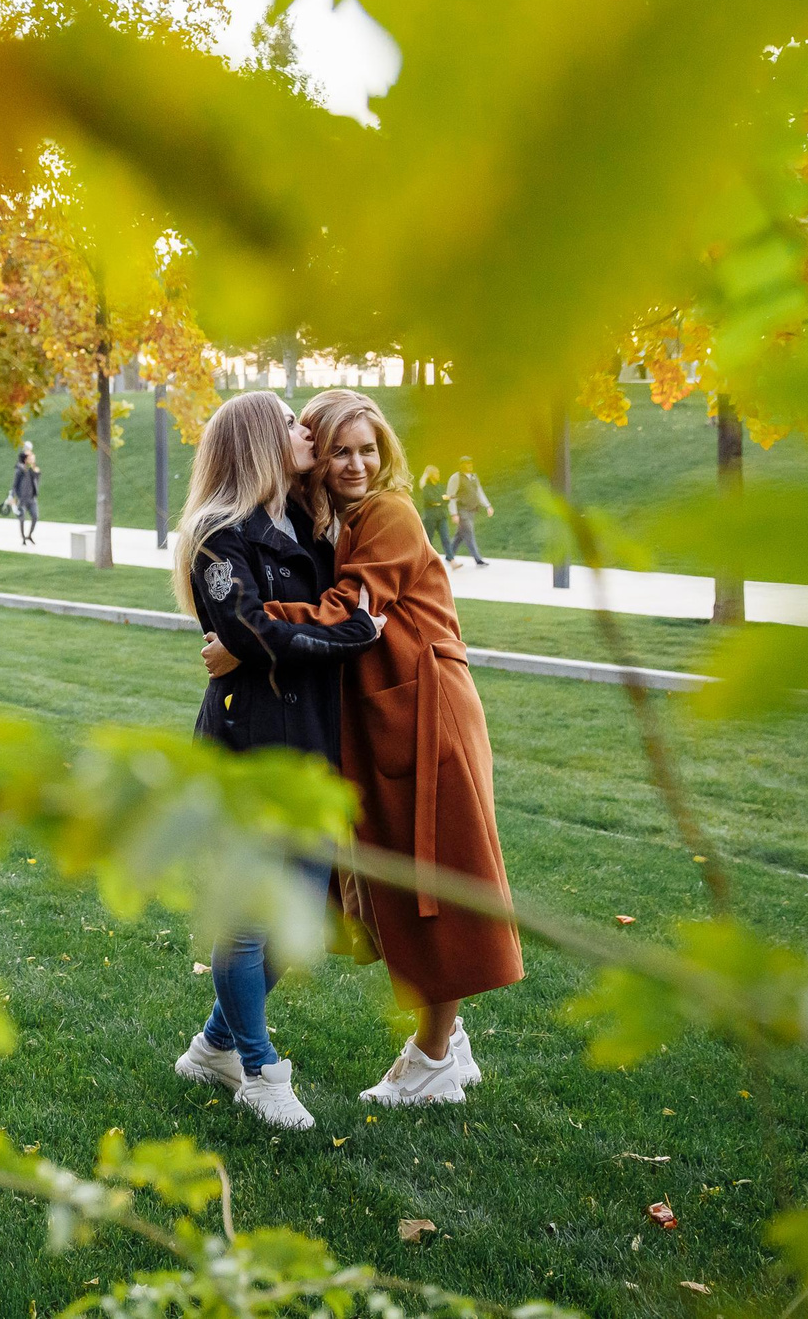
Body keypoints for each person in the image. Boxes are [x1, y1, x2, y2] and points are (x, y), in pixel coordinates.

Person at [201, 390, 522, 1108]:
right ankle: (441, 1043)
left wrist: (246, 635)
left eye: (368, 449)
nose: (355, 464)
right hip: (383, 714)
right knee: (393, 882)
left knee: (434, 880)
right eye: (339, 449)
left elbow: (353, 613)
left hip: (426, 711)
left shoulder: (388, 514)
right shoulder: (324, 522)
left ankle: (434, 1059)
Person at [169, 391, 382, 1132]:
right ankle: (260, 1071)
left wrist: (304, 633)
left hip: (313, 743)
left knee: (302, 917)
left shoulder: (308, 520)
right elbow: (250, 630)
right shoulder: (218, 535)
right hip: (249, 747)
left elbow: (275, 629)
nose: (306, 430)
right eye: (292, 422)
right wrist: (353, 634)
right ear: (261, 439)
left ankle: (213, 1047)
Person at [443, 455, 492, 567]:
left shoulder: (474, 477)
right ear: (461, 465)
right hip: (461, 510)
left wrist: (487, 505)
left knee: (460, 534)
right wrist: (454, 513)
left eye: (470, 463)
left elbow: (479, 492)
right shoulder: (456, 477)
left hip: (472, 510)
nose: (469, 465)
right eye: (467, 463)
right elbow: (451, 496)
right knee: (469, 533)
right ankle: (478, 559)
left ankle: (449, 555)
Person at [10, 441, 42, 546]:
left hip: (32, 498)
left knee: (35, 516)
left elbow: (37, 478)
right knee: (22, 518)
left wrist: (34, 469)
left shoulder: (33, 469)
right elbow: (15, 484)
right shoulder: (20, 469)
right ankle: (23, 537)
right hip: (22, 499)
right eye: (29, 457)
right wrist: (13, 496)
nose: (32, 459)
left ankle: (30, 535)